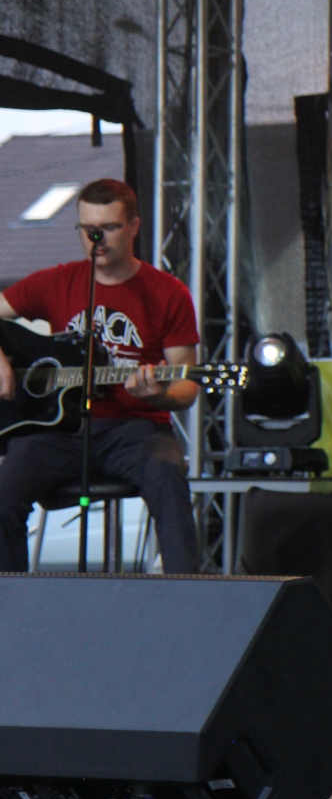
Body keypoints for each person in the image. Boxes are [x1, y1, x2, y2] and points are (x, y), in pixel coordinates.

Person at [0, 178, 201, 573]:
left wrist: (157, 395)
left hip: (136, 429)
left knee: (168, 475)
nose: (97, 240)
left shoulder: (168, 293)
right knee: (3, 496)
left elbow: (187, 385)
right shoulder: (57, 281)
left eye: (108, 228)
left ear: (134, 227)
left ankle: (188, 597)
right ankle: (13, 602)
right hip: (58, 430)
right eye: (88, 229)